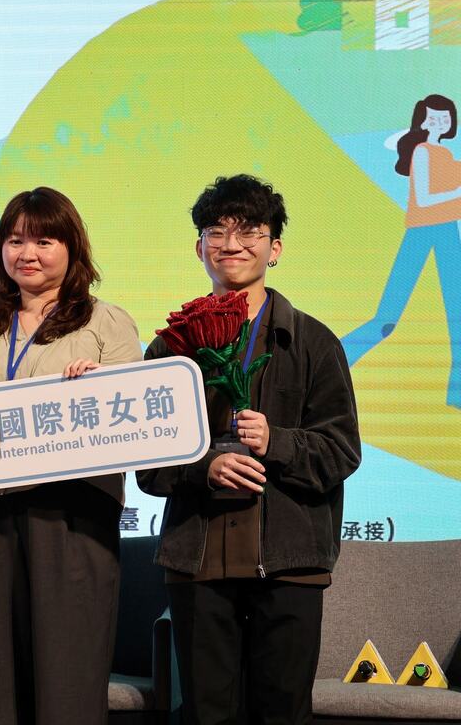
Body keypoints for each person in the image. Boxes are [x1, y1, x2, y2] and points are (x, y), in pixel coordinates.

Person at [137, 174, 362, 724]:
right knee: (205, 713)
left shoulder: (312, 341)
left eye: (250, 232)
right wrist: (205, 465)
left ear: (274, 248)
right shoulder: (171, 347)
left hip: (290, 565)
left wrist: (278, 442)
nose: (231, 244)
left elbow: (342, 451)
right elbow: (149, 465)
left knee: (282, 712)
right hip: (198, 562)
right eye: (216, 231)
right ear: (199, 248)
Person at [0, 187, 141, 725]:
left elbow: (140, 417)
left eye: (44, 239)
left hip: (72, 515)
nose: (28, 253)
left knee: (68, 670)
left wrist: (101, 391)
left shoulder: (105, 321)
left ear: (72, 247)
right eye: (15, 240)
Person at [341, 94, 461, 407]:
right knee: (387, 318)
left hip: (447, 232)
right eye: (433, 118)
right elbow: (424, 200)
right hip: (421, 232)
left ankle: (457, 393)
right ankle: (334, 362)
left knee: (457, 316)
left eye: (444, 118)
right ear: (422, 121)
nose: (439, 123)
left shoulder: (445, 152)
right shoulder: (422, 152)